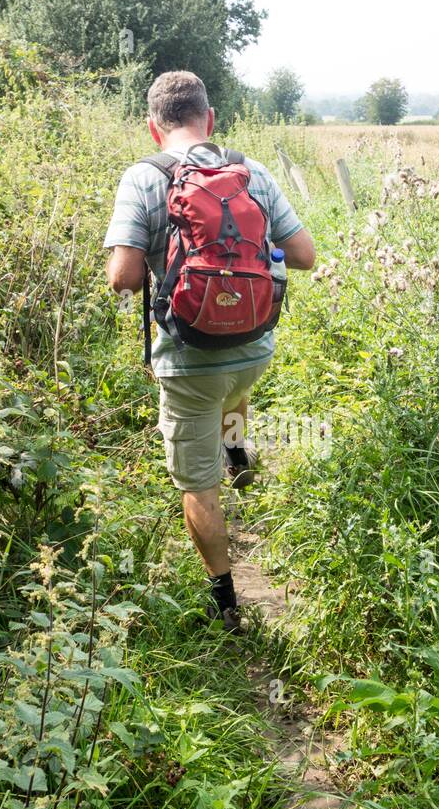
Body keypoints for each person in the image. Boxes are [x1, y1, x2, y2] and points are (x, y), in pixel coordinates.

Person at [105, 70, 316, 632]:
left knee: (197, 482)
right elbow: (304, 255)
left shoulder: (143, 178)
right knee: (235, 390)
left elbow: (124, 277)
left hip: (188, 357)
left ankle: (224, 604)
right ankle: (239, 455)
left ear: (153, 128)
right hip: (254, 345)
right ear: (210, 119)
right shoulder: (252, 171)